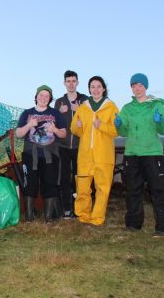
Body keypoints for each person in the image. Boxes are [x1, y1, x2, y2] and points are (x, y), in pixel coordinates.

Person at [114, 73, 164, 238]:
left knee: (159, 190)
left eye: (140, 85)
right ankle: (133, 224)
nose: (137, 88)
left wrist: (159, 121)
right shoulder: (127, 108)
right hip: (132, 154)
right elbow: (124, 132)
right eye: (134, 85)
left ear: (145, 86)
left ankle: (163, 227)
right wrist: (119, 125)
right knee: (133, 190)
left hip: (153, 154)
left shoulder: (156, 105)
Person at [70, 76, 119, 226]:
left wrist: (101, 125)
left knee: (102, 189)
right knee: (83, 187)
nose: (95, 89)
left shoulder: (111, 107)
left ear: (103, 89)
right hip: (85, 156)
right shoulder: (83, 107)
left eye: (98, 86)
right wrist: (78, 125)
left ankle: (97, 217)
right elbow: (75, 130)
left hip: (103, 156)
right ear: (89, 89)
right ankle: (83, 215)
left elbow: (117, 130)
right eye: (92, 87)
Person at [16, 85, 66, 222]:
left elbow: (63, 134)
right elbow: (18, 133)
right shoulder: (27, 113)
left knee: (50, 184)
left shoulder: (56, 114)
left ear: (50, 99)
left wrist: (54, 129)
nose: (43, 98)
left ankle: (48, 218)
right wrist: (29, 125)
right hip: (30, 155)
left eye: (46, 96)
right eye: (41, 95)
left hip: (50, 156)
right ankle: (29, 218)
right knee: (29, 185)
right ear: (36, 96)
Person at [54, 70, 88, 219]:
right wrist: (59, 113)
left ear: (78, 83)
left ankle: (78, 208)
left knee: (79, 177)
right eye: (68, 81)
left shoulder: (85, 100)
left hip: (81, 146)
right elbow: (52, 121)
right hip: (63, 146)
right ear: (64, 83)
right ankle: (67, 208)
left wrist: (79, 109)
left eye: (74, 81)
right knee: (64, 178)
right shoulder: (59, 102)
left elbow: (92, 119)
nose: (71, 84)